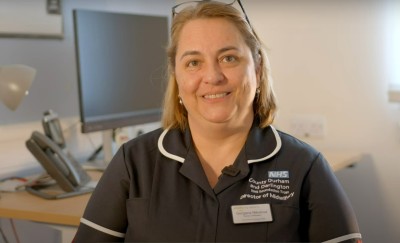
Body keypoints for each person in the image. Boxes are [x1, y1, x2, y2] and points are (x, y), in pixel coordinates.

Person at [73, 1, 362, 242]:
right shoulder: (133, 162)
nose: (212, 76)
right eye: (193, 62)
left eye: (229, 58)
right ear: (177, 76)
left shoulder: (305, 166)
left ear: (258, 69)